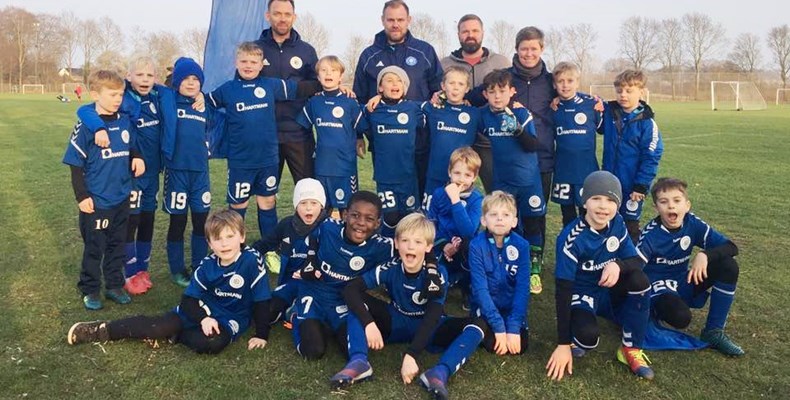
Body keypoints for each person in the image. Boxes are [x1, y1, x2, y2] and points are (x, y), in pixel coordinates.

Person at [67, 210, 273, 355]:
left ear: (242, 237)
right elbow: (188, 300)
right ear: (210, 243)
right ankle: (99, 330)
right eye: (217, 239)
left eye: (230, 236)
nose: (224, 243)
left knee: (212, 344)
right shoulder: (207, 265)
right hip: (202, 310)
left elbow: (262, 300)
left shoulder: (251, 260)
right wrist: (203, 318)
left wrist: (262, 335)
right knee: (157, 326)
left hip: (231, 318)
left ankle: (176, 335)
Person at [329, 213, 485, 400]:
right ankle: (359, 361)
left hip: (429, 327)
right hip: (397, 320)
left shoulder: (436, 274)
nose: (410, 246)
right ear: (396, 243)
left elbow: (433, 316)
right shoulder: (391, 267)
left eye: (418, 242)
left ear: (428, 247)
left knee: (478, 325)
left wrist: (412, 355)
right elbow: (351, 289)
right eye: (405, 240)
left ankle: (439, 373)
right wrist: (369, 323)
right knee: (357, 302)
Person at [76, 56, 181, 294]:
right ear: (129, 77)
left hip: (152, 171)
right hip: (130, 174)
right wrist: (98, 127)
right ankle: (128, 272)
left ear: (156, 79)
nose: (145, 79)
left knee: (147, 220)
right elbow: (85, 109)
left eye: (149, 75)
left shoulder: (160, 96)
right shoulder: (123, 99)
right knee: (130, 222)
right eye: (139, 75)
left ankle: (142, 269)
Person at [547, 171, 655, 381]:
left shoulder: (617, 223)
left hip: (608, 289)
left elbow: (635, 260)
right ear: (584, 201)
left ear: (618, 204)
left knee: (639, 281)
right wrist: (562, 343)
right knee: (587, 338)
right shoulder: (571, 238)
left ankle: (631, 349)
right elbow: (563, 290)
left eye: (610, 200)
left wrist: (617, 265)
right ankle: (577, 334)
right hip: (583, 293)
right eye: (596, 198)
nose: (603, 206)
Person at [208, 41, 318, 241]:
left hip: (268, 159)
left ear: (261, 65)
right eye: (244, 61)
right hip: (240, 161)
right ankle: (236, 248)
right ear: (236, 63)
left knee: (267, 202)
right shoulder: (227, 89)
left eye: (253, 62)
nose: (248, 66)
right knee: (238, 204)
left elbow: (300, 88)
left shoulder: (270, 85)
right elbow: (207, 104)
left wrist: (330, 86)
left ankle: (269, 247)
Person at [62, 70, 145, 310]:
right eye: (112, 94)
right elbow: (75, 165)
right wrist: (82, 195)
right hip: (97, 200)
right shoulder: (86, 126)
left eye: (120, 94)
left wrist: (137, 157)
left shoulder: (124, 120)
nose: (118, 99)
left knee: (117, 245)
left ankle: (114, 285)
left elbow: (131, 144)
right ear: (96, 95)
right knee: (94, 247)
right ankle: (90, 289)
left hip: (121, 196)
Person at [637, 177, 744, 356]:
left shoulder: (692, 223)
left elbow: (731, 247)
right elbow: (634, 270)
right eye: (664, 202)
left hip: (682, 282)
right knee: (681, 318)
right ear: (656, 208)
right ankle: (656, 311)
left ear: (687, 205)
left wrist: (705, 255)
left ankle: (713, 332)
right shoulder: (650, 235)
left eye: (677, 200)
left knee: (728, 266)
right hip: (657, 289)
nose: (671, 206)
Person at [354, 0, 443, 196]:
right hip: (384, 143)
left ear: (409, 20)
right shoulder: (369, 55)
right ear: (382, 20)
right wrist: (358, 136)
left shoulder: (425, 51)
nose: (395, 24)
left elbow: (438, 91)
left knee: (420, 196)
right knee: (390, 199)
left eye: (400, 20)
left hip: (420, 141)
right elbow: (358, 98)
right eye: (390, 20)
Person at [292, 191, 394, 360]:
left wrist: (433, 265)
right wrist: (310, 260)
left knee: (350, 350)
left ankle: (328, 325)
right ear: (345, 215)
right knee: (313, 351)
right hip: (315, 293)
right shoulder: (328, 227)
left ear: (377, 223)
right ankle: (295, 314)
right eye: (355, 215)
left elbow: (415, 247)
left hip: (344, 300)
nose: (361, 223)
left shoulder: (382, 246)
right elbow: (313, 238)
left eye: (369, 219)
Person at [478, 69, 546, 294]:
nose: (497, 96)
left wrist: (517, 129)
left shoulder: (520, 112)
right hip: (503, 182)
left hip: (528, 181)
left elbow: (533, 145)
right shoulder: (483, 115)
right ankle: (505, 266)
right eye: (492, 92)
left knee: (533, 224)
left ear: (512, 92)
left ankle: (534, 270)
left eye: (502, 91)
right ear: (485, 94)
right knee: (503, 225)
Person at [440, 14, 509, 193]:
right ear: (458, 34)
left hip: (489, 142)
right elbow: (436, 94)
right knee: (451, 191)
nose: (470, 35)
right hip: (456, 138)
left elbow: (510, 93)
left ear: (483, 32)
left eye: (475, 31)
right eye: (465, 31)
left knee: (496, 192)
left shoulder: (500, 62)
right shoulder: (444, 64)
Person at [255, 0, 319, 185]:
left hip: (299, 133)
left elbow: (318, 84)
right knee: (265, 191)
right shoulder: (255, 49)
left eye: (287, 14)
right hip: (265, 134)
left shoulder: (307, 50)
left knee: (308, 188)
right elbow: (242, 84)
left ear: (294, 17)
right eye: (277, 14)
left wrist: (289, 89)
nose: (282, 19)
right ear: (268, 16)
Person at [162, 57, 212, 288]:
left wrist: (203, 97)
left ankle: (199, 265)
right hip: (177, 173)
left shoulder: (204, 105)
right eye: (185, 79)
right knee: (178, 222)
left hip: (200, 174)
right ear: (176, 82)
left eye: (195, 79)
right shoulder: (169, 100)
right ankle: (177, 268)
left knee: (201, 222)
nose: (191, 83)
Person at [251, 178, 328, 327]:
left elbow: (337, 259)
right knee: (265, 314)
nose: (308, 208)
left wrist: (316, 271)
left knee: (311, 314)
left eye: (314, 203)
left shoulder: (329, 228)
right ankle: (285, 308)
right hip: (291, 282)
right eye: (303, 203)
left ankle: (294, 310)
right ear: (296, 205)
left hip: (318, 284)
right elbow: (264, 244)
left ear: (321, 205)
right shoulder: (287, 224)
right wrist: (242, 255)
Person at [296, 56, 365, 217]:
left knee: (347, 209)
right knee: (322, 208)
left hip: (345, 166)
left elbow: (361, 127)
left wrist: (360, 139)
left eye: (333, 70)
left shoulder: (350, 102)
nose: (328, 73)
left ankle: (345, 234)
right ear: (318, 76)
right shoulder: (314, 102)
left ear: (340, 76)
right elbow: (302, 126)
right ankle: (323, 233)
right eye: (324, 70)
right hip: (322, 165)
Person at [360, 66, 425, 238]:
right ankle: (388, 248)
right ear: (380, 87)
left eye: (399, 81)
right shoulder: (371, 109)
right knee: (390, 218)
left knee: (410, 218)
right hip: (385, 178)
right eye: (389, 80)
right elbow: (350, 113)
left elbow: (436, 106)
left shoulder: (413, 108)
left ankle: (409, 250)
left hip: (408, 177)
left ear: (405, 87)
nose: (395, 84)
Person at [600, 70, 663, 243]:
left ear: (641, 92)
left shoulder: (647, 123)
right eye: (619, 91)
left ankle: (632, 257)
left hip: (632, 186)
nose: (623, 95)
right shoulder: (610, 113)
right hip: (609, 182)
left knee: (630, 225)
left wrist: (641, 185)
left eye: (629, 91)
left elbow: (651, 156)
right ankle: (608, 256)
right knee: (606, 221)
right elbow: (590, 106)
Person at [468, 190, 532, 357]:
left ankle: (513, 323)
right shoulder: (476, 246)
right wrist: (498, 327)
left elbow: (523, 288)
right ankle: (492, 324)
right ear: (483, 220)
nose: (499, 219)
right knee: (492, 343)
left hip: (510, 307)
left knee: (521, 345)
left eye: (505, 215)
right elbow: (480, 289)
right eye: (493, 214)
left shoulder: (522, 246)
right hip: (486, 308)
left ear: (514, 221)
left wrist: (513, 327)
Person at [427, 146, 483, 307]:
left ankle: (467, 288)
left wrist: (455, 200)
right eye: (457, 173)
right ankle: (448, 280)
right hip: (442, 245)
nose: (461, 179)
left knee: (471, 249)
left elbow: (468, 231)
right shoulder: (438, 194)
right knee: (433, 264)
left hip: (464, 247)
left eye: (467, 175)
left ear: (474, 177)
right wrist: (443, 244)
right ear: (449, 172)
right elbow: (431, 224)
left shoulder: (476, 199)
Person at [550, 62, 602, 227]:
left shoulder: (591, 104)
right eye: (560, 81)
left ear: (577, 82)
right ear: (554, 85)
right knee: (567, 214)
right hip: (563, 170)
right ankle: (569, 241)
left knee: (587, 212)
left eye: (570, 81)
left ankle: (586, 241)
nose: (565, 85)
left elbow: (606, 126)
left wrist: (601, 104)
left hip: (586, 170)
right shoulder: (552, 107)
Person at [422, 67, 480, 209]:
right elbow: (404, 106)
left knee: (456, 215)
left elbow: (495, 116)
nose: (455, 88)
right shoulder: (433, 108)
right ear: (443, 86)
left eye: (460, 84)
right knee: (430, 217)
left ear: (467, 89)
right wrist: (379, 97)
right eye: (451, 83)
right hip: (435, 175)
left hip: (461, 179)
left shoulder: (474, 113)